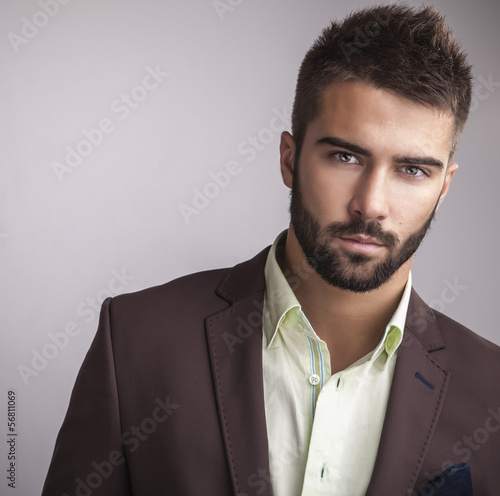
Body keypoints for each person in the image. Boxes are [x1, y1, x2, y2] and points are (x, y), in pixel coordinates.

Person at [42, 4, 500, 496]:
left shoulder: (491, 392)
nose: (371, 204)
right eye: (345, 156)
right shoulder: (135, 340)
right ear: (289, 158)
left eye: (412, 170)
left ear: (444, 187)